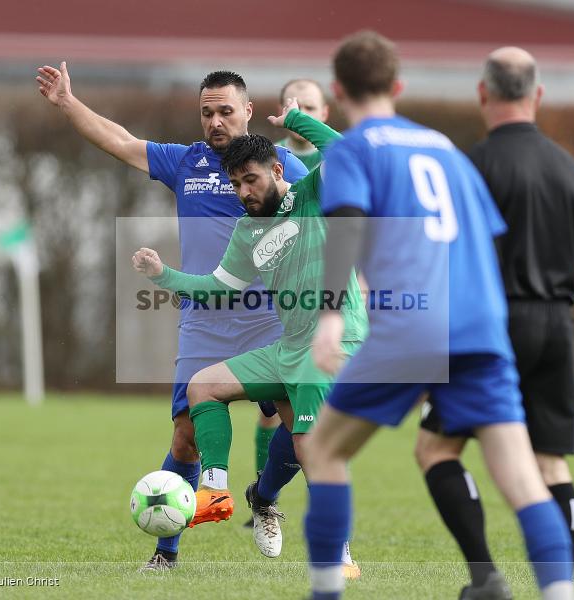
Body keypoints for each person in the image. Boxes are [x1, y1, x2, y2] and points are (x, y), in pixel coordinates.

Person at [303, 31, 574, 600]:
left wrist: (331, 316)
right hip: (482, 327)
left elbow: (348, 225)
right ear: (398, 86)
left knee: (326, 451)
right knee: (524, 480)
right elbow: (485, 240)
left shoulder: (354, 148)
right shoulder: (449, 150)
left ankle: (325, 592)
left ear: (338, 89)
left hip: (413, 323)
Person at [36, 64, 307, 572]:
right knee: (185, 435)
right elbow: (120, 141)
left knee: (301, 430)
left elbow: (333, 209)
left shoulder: (282, 165)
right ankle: (165, 554)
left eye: (226, 110)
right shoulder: (187, 163)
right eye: (207, 112)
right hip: (205, 321)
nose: (216, 121)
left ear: (247, 111)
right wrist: (69, 103)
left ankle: (264, 497)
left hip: (271, 320)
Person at [132, 102, 362, 578]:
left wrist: (296, 121)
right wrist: (163, 275)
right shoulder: (248, 229)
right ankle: (215, 488)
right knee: (203, 387)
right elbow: (218, 287)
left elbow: (346, 152)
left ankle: (337, 555)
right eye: (235, 184)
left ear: (278, 169)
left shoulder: (312, 194)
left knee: (312, 450)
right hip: (288, 349)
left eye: (251, 180)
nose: (243, 192)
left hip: (330, 345)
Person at [415, 47, 574, 585]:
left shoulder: (470, 168)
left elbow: (439, 263)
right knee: (549, 466)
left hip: (490, 331)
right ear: (537, 95)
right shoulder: (570, 169)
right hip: (555, 325)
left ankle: (485, 578)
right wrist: (553, 306)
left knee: (436, 448)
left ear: (483, 93)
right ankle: (560, 587)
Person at [245, 78, 332, 533]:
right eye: (292, 106)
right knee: (299, 422)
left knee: (306, 422)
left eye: (310, 107)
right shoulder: (268, 163)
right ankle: (332, 545)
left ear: (325, 111)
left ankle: (263, 497)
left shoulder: (320, 167)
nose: (300, 112)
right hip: (282, 310)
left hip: (333, 306)